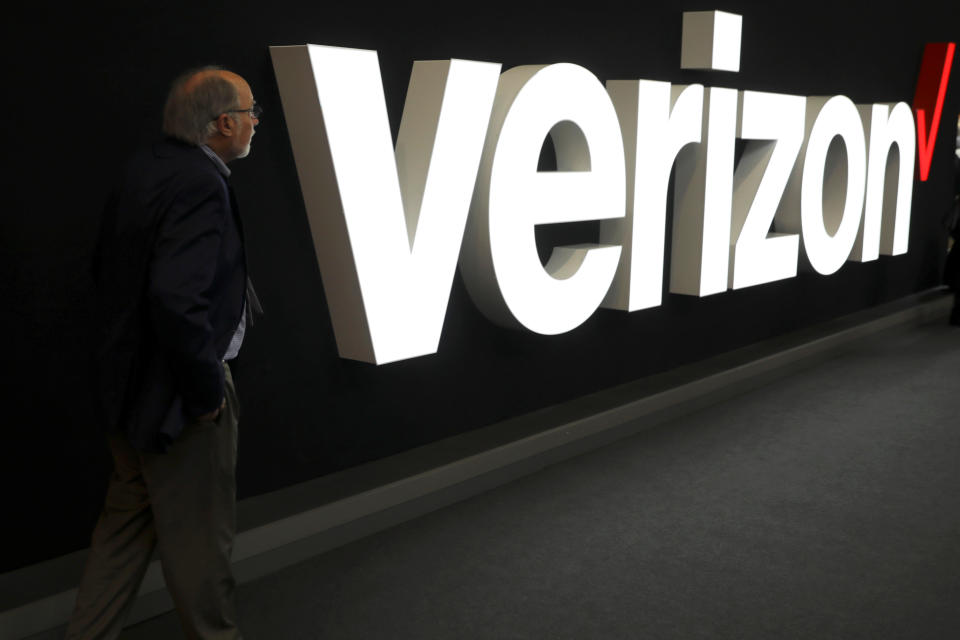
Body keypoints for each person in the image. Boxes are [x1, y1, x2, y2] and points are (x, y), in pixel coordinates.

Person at [65, 66, 260, 639]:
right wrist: (203, 395)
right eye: (252, 114)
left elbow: (107, 272)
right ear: (224, 123)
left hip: (127, 395)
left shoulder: (145, 169)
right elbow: (178, 301)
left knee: (121, 539)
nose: (256, 125)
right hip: (179, 403)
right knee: (203, 552)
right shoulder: (201, 184)